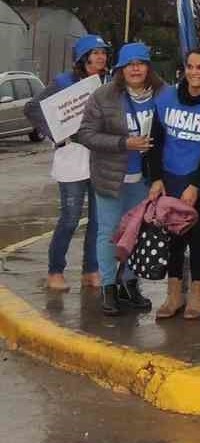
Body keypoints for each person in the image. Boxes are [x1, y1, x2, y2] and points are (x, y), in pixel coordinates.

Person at [77, 43, 161, 316]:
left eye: (141, 63)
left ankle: (130, 283)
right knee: (109, 233)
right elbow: (86, 134)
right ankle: (109, 287)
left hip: (145, 179)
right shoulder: (103, 96)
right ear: (120, 69)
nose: (135, 69)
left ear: (148, 67)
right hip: (110, 178)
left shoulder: (163, 94)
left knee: (136, 233)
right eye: (129, 64)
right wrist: (125, 143)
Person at [150, 47, 200, 320]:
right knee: (173, 240)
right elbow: (155, 141)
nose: (194, 72)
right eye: (190, 66)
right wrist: (156, 178)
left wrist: (195, 184)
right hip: (170, 179)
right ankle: (173, 295)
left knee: (196, 239)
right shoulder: (166, 98)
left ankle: (197, 294)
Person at [25, 34, 111, 292]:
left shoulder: (109, 83)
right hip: (72, 161)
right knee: (70, 218)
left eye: (103, 52)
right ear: (83, 58)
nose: (101, 57)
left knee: (98, 221)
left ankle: (91, 270)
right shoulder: (63, 82)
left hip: (100, 161)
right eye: (95, 53)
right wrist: (57, 134)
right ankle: (55, 271)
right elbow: (32, 108)